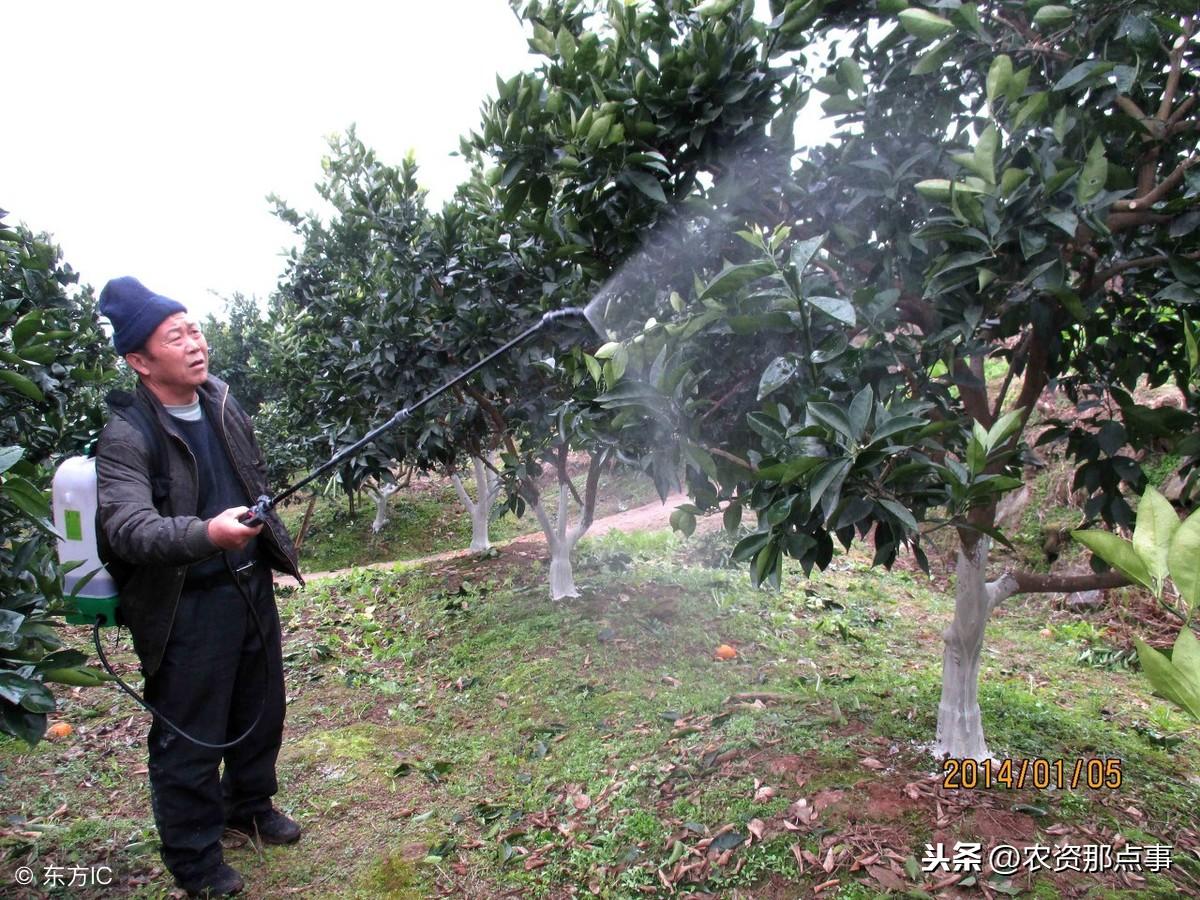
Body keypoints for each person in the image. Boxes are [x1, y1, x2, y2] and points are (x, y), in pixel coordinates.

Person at [95, 276, 304, 897]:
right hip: (183, 604)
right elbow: (131, 529)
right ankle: (194, 859)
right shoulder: (128, 436)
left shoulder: (219, 400)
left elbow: (249, 472)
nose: (195, 344)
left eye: (194, 328)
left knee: (260, 707)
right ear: (139, 360)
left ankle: (249, 804)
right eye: (174, 336)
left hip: (247, 582)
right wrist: (207, 534)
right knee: (191, 731)